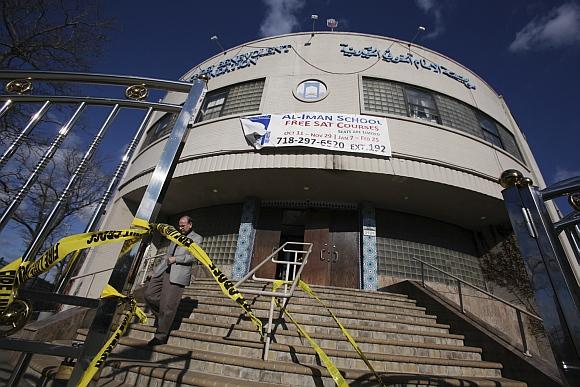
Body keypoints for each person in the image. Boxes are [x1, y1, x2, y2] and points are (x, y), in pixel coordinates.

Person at [144, 215, 202, 346]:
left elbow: (194, 257)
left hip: (178, 275)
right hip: (164, 270)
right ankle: (163, 317)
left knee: (168, 306)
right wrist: (155, 271)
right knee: (149, 295)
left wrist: (177, 259)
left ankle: (160, 336)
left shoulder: (197, 238)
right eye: (179, 225)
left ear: (190, 225)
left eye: (183, 225)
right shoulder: (175, 236)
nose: (180, 227)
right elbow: (167, 256)